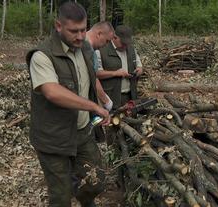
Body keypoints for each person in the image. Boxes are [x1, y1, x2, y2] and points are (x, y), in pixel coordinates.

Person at [26, 2, 111, 206]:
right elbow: (51, 91)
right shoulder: (42, 55)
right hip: (53, 139)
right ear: (58, 26)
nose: (80, 36)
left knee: (96, 181)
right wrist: (92, 106)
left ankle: (83, 198)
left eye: (83, 29)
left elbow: (90, 81)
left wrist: (102, 101)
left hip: (82, 132)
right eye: (74, 31)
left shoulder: (84, 50)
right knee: (61, 198)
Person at [95, 25, 143, 110]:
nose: (125, 46)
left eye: (127, 43)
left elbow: (140, 67)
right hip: (111, 97)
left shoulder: (132, 50)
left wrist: (138, 71)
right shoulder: (101, 50)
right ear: (114, 37)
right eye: (123, 43)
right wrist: (115, 73)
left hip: (130, 96)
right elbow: (96, 74)